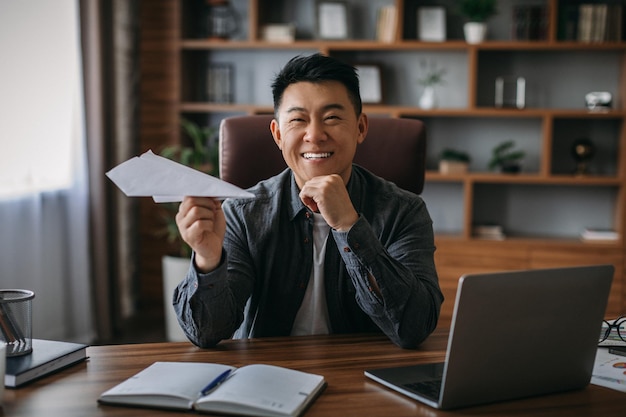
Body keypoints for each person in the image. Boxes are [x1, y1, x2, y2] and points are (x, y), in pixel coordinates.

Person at [173, 53, 443, 349]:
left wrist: (349, 226)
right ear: (277, 134)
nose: (314, 135)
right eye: (298, 120)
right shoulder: (243, 213)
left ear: (361, 128)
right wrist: (208, 260)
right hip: (268, 377)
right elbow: (207, 333)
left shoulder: (403, 211)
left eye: (332, 118)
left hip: (365, 376)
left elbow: (414, 327)